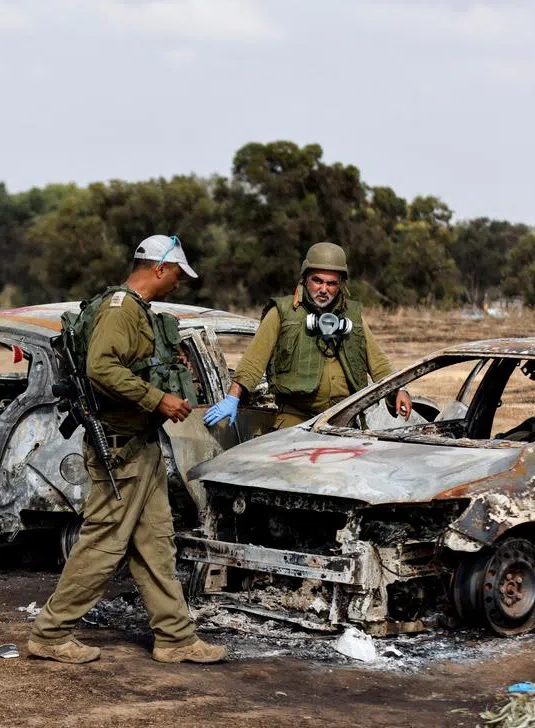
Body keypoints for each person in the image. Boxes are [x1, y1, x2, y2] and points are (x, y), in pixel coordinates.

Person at [28, 235, 226, 665]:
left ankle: (175, 637)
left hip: (142, 448)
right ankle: (51, 633)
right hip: (121, 453)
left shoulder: (137, 310)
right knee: (103, 544)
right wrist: (158, 399)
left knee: (156, 544)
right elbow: (101, 367)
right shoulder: (120, 310)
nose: (178, 283)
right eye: (176, 274)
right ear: (159, 268)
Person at [204, 241, 410, 431]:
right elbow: (253, 361)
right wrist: (232, 398)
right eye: (317, 281)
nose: (323, 289)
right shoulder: (282, 313)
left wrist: (399, 390)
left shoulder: (353, 317)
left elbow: (379, 363)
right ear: (304, 278)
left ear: (341, 285)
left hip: (344, 417)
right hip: (296, 419)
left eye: (331, 284)